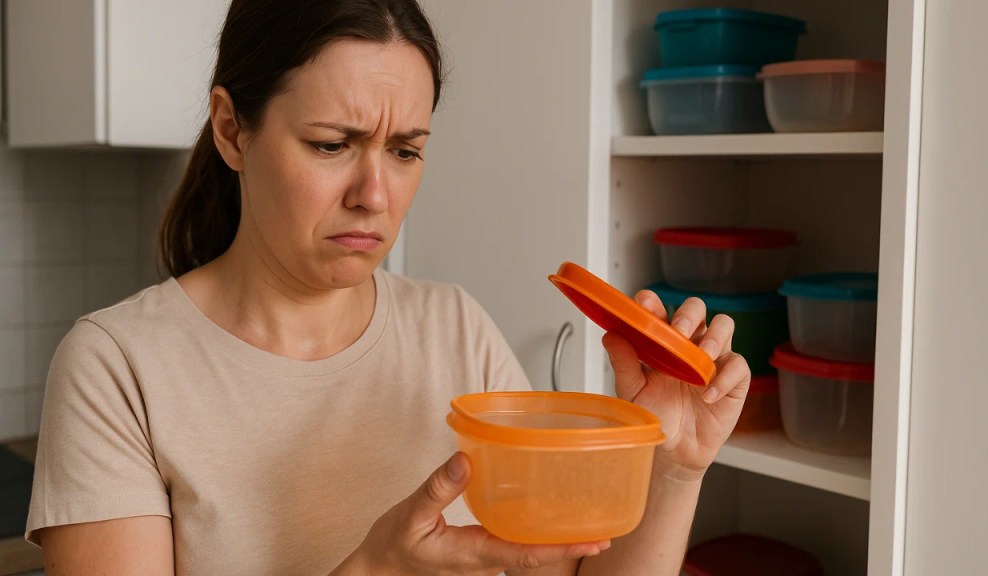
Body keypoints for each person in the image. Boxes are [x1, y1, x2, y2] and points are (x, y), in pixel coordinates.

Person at [25, 0, 751, 574]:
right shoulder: (117, 367)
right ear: (231, 130)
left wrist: (675, 468)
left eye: (405, 151)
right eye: (331, 145)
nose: (375, 193)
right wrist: (378, 569)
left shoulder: (454, 326)